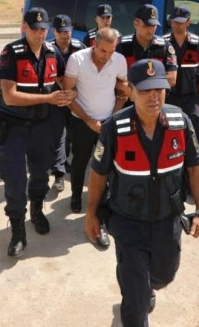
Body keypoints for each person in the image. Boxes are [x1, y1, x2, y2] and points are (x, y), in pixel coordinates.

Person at [84, 59, 199, 326]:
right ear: (130, 91)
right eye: (145, 90)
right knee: (135, 298)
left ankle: (147, 286)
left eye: (159, 89)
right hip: (128, 222)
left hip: (168, 220)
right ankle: (137, 293)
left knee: (165, 275)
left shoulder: (180, 122)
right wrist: (91, 213)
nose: (154, 96)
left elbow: (195, 168)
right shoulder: (114, 129)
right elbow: (98, 174)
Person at [0, 7, 75, 257]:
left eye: (43, 30)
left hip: (43, 127)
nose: (40, 34)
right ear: (24, 27)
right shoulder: (12, 53)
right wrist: (49, 98)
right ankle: (18, 231)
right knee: (16, 180)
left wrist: (69, 93)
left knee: (40, 175)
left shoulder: (52, 52)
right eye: (35, 29)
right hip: (15, 128)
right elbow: (9, 97)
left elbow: (63, 81)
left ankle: (37, 211)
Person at [63, 27, 128, 247]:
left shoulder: (119, 61)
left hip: (108, 123)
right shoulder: (76, 60)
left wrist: (112, 117)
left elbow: (124, 91)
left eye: (111, 51)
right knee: (80, 162)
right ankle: (75, 196)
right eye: (103, 51)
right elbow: (68, 95)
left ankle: (100, 208)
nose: (106, 56)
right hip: (81, 122)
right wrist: (89, 120)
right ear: (94, 44)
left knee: (105, 166)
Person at [163, 5, 199, 137]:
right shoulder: (163, 43)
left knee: (192, 133)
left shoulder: (197, 43)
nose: (176, 25)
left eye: (180, 22)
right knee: (169, 134)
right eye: (174, 21)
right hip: (169, 98)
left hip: (190, 98)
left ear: (188, 22)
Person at [48, 14, 85, 192]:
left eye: (67, 31)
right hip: (55, 101)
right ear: (53, 31)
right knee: (58, 137)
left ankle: (66, 162)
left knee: (72, 136)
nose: (65, 35)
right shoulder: (47, 49)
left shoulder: (80, 48)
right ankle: (59, 174)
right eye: (60, 31)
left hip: (76, 100)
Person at [116, 4, 178, 86]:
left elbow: (172, 79)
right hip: (130, 97)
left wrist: (140, 85)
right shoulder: (122, 46)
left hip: (155, 97)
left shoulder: (165, 47)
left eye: (154, 26)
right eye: (147, 25)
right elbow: (114, 78)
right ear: (135, 24)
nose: (151, 30)